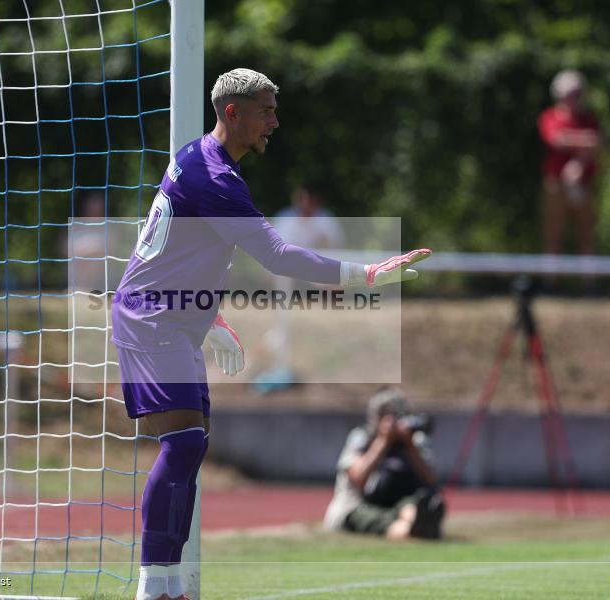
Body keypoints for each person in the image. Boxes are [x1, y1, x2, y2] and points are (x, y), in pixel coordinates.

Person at [111, 67, 432, 600]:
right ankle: (154, 586)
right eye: (266, 111)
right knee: (185, 443)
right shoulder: (215, 177)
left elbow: (178, 252)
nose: (275, 122)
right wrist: (366, 275)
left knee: (190, 444)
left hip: (167, 312)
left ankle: (166, 586)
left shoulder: (198, 157)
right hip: (152, 316)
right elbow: (277, 255)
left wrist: (207, 316)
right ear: (232, 112)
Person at [324, 388, 445, 539]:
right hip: (359, 505)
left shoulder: (413, 439)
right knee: (383, 520)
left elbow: (431, 479)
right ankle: (410, 531)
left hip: (397, 503)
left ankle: (421, 521)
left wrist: (409, 446)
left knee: (415, 504)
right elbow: (358, 476)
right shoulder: (362, 437)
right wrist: (383, 442)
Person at [537, 69, 601, 256]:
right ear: (559, 94)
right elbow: (557, 140)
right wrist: (584, 140)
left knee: (587, 235)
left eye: (578, 93)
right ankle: (550, 282)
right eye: (570, 94)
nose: (574, 98)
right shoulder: (550, 117)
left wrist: (577, 165)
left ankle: (588, 282)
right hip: (556, 184)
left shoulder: (588, 119)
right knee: (553, 234)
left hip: (583, 183)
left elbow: (596, 142)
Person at [272, 185, 345, 250]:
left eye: (309, 198)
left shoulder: (326, 218)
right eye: (301, 198)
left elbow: (337, 244)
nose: (305, 202)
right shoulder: (284, 217)